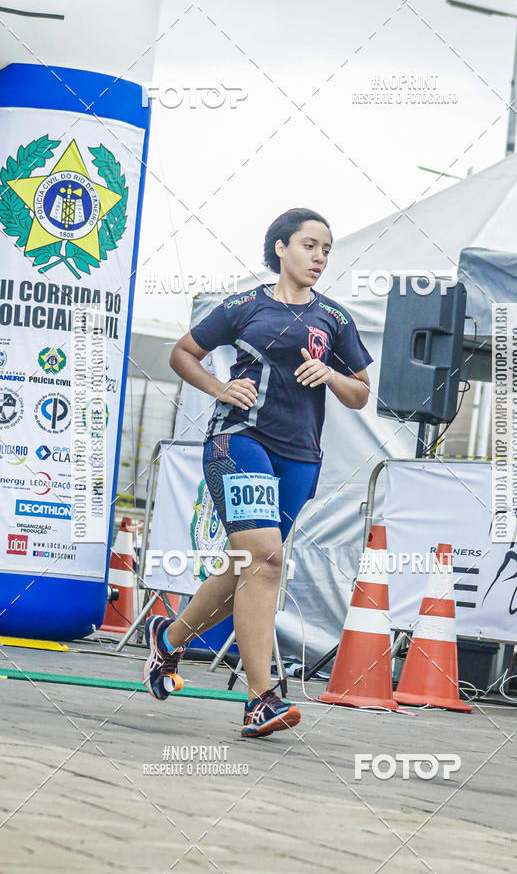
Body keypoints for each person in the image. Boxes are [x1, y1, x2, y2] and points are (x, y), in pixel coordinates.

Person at [143, 208, 374, 737]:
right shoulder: (245, 305)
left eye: (326, 250)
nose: (318, 258)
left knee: (246, 568)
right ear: (280, 249)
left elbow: (361, 392)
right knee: (267, 561)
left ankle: (167, 642)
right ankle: (260, 698)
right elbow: (183, 353)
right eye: (309, 246)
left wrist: (333, 375)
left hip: (300, 456)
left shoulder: (335, 319)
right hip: (239, 440)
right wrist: (219, 388)